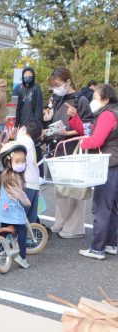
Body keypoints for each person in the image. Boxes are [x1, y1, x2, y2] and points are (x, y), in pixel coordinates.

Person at [67, 84, 118, 259]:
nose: (92, 100)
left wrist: (83, 144)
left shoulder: (107, 115)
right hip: (113, 164)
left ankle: (97, 248)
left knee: (102, 208)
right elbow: (88, 131)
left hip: (108, 165)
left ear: (106, 99)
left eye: (95, 97)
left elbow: (95, 140)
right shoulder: (111, 113)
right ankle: (111, 244)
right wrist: (75, 119)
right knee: (112, 208)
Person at [46, 67, 94, 239]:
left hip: (74, 148)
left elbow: (89, 127)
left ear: (68, 82)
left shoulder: (80, 99)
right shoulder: (59, 98)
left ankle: (74, 227)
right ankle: (60, 222)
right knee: (61, 187)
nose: (55, 88)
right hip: (59, 148)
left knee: (74, 188)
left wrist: (69, 133)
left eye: (57, 84)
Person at [0, 142, 32, 269]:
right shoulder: (14, 177)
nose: (21, 163)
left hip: (3, 211)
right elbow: (20, 195)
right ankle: (22, 257)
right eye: (17, 161)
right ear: (8, 161)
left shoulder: (4, 175)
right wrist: (28, 203)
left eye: (23, 161)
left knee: (3, 231)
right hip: (14, 211)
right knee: (22, 232)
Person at [16, 121, 42, 225]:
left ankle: (20, 238)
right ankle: (32, 237)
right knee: (32, 215)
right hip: (34, 181)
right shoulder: (29, 141)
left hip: (26, 182)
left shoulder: (22, 141)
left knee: (22, 215)